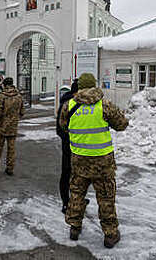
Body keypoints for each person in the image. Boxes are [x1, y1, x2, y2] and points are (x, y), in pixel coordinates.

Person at [59, 73, 129, 249]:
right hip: (102, 163)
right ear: (94, 85)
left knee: (76, 194)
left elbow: (63, 127)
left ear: (80, 86)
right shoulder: (104, 105)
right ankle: (110, 235)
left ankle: (74, 228)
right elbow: (122, 124)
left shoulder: (69, 105)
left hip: (79, 160)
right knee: (106, 197)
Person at [56, 79, 83, 214]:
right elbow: (59, 128)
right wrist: (70, 139)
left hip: (81, 147)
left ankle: (77, 198)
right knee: (67, 173)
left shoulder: (81, 103)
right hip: (69, 146)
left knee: (78, 175)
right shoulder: (67, 104)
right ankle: (66, 202)